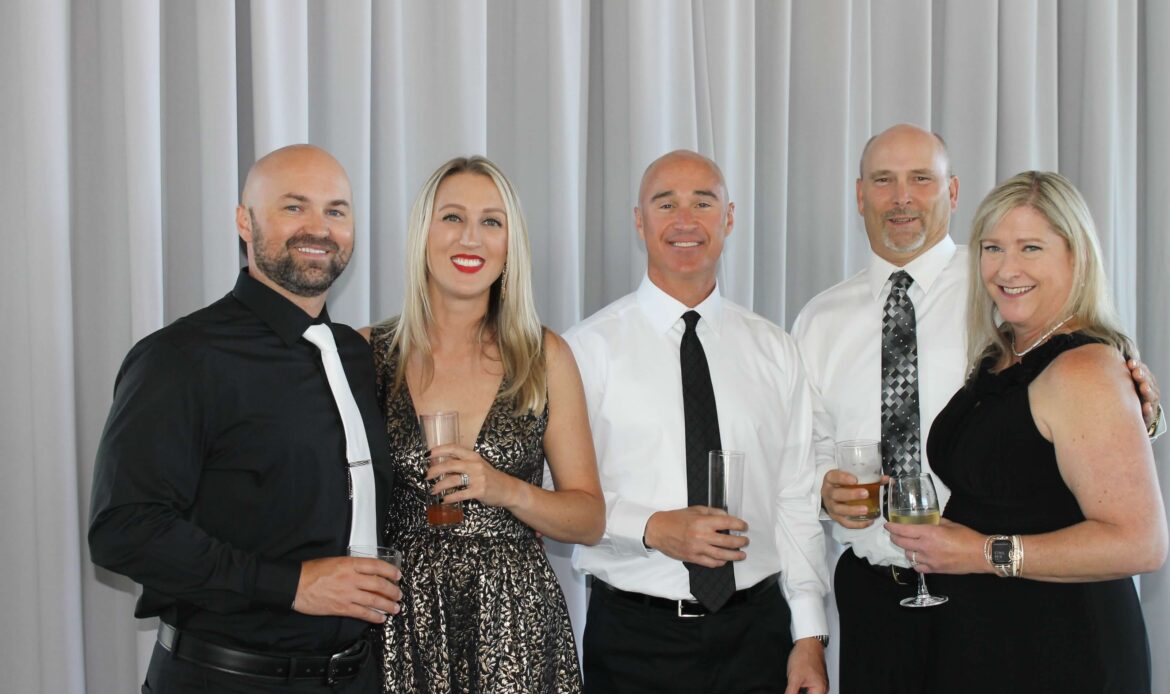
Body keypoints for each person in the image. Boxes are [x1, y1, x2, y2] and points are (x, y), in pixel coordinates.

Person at [792, 124, 1164, 693]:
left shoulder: (999, 292)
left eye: (922, 178)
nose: (902, 198)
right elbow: (805, 455)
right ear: (859, 192)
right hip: (885, 597)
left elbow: (1087, 384)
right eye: (884, 180)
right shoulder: (824, 319)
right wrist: (824, 487)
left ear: (953, 191)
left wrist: (1137, 401)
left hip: (1008, 597)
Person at [89, 144, 401, 692]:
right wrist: (291, 585)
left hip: (357, 677)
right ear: (244, 221)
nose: (318, 228)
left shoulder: (355, 356)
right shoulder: (181, 357)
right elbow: (124, 530)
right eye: (293, 207)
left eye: (336, 210)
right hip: (223, 678)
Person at [885, 171, 1168, 692]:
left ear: (1075, 256)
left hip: (1065, 651)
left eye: (1031, 247)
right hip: (994, 641)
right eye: (993, 247)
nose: (1007, 269)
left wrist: (977, 553)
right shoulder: (1004, 354)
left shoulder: (1082, 369)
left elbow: (1141, 544)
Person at [566, 150, 830, 694]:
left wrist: (808, 636)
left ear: (728, 218)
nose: (685, 221)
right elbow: (557, 495)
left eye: (702, 203)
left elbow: (795, 499)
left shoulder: (775, 349)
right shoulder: (586, 350)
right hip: (635, 640)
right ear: (639, 221)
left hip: (758, 635)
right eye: (666, 204)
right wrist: (652, 526)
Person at [364, 155, 604, 693]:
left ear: (509, 245)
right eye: (452, 218)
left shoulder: (544, 357)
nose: (470, 238)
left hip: (515, 624)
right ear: (423, 233)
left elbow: (588, 518)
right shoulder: (368, 355)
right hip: (400, 623)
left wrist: (504, 488)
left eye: (491, 222)